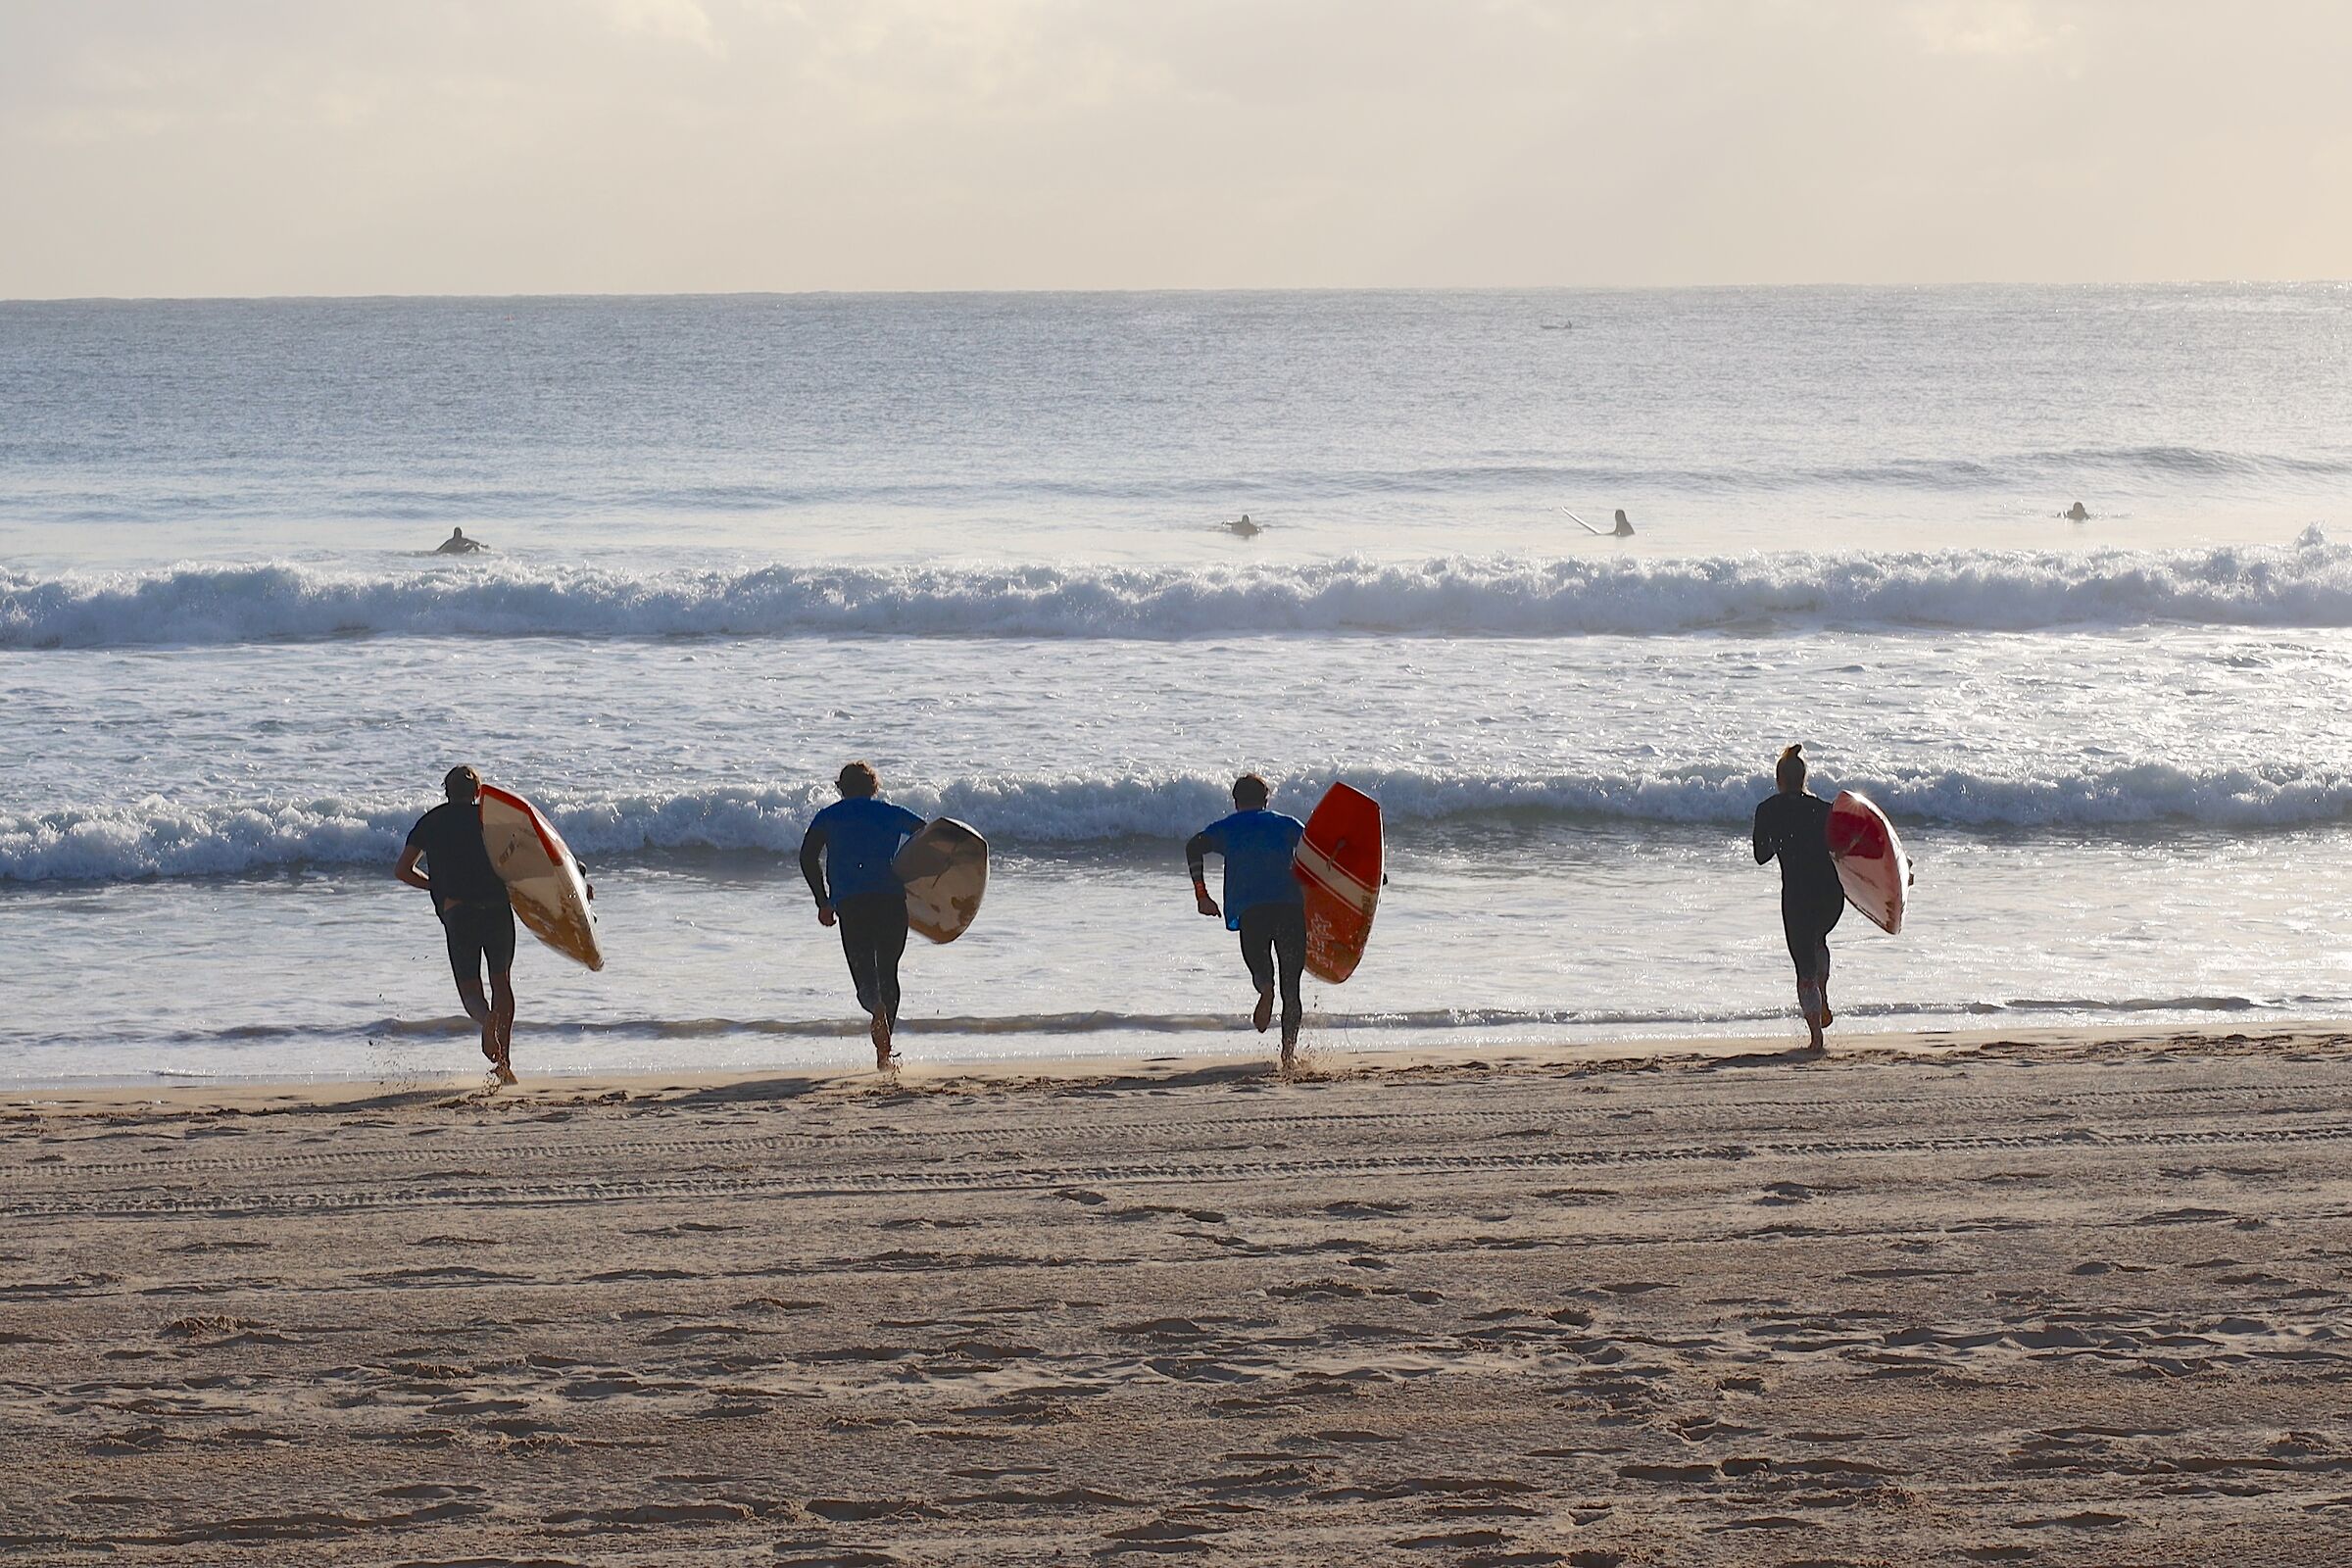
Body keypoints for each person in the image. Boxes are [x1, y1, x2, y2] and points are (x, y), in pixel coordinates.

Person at [396, 765, 519, 1084]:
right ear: (478, 792)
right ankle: (504, 1065)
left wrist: (437, 887)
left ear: (446, 792)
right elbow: (530, 857)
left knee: (470, 991)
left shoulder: (431, 823)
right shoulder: (491, 819)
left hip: (458, 913)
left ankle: (485, 1019)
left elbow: (403, 870)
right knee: (501, 982)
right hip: (496, 909)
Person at [800, 761, 927, 1069]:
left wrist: (823, 901)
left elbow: (807, 856)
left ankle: (875, 1008)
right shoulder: (891, 813)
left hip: (852, 905)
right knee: (889, 972)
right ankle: (884, 1054)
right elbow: (928, 835)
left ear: (841, 788)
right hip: (891, 902)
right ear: (873, 787)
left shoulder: (828, 816)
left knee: (865, 979)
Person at [1186, 773, 1308, 1068]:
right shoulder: (1286, 824)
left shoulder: (1228, 828)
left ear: (1236, 801)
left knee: (1260, 967)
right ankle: (1288, 1056)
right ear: (1266, 800)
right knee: (1291, 989)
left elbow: (1193, 846)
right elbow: (1319, 851)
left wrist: (1202, 895)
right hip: (1290, 909)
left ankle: (1264, 988)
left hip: (1253, 912)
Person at [1752, 744, 1842, 1053]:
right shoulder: (1824, 809)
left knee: (1804, 967)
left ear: (1779, 779)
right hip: (1831, 896)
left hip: (1798, 897)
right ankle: (1824, 993)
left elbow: (1760, 855)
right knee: (1819, 941)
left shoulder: (1768, 809)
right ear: (1804, 778)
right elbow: (1843, 850)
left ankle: (1816, 1037)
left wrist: (1780, 837)